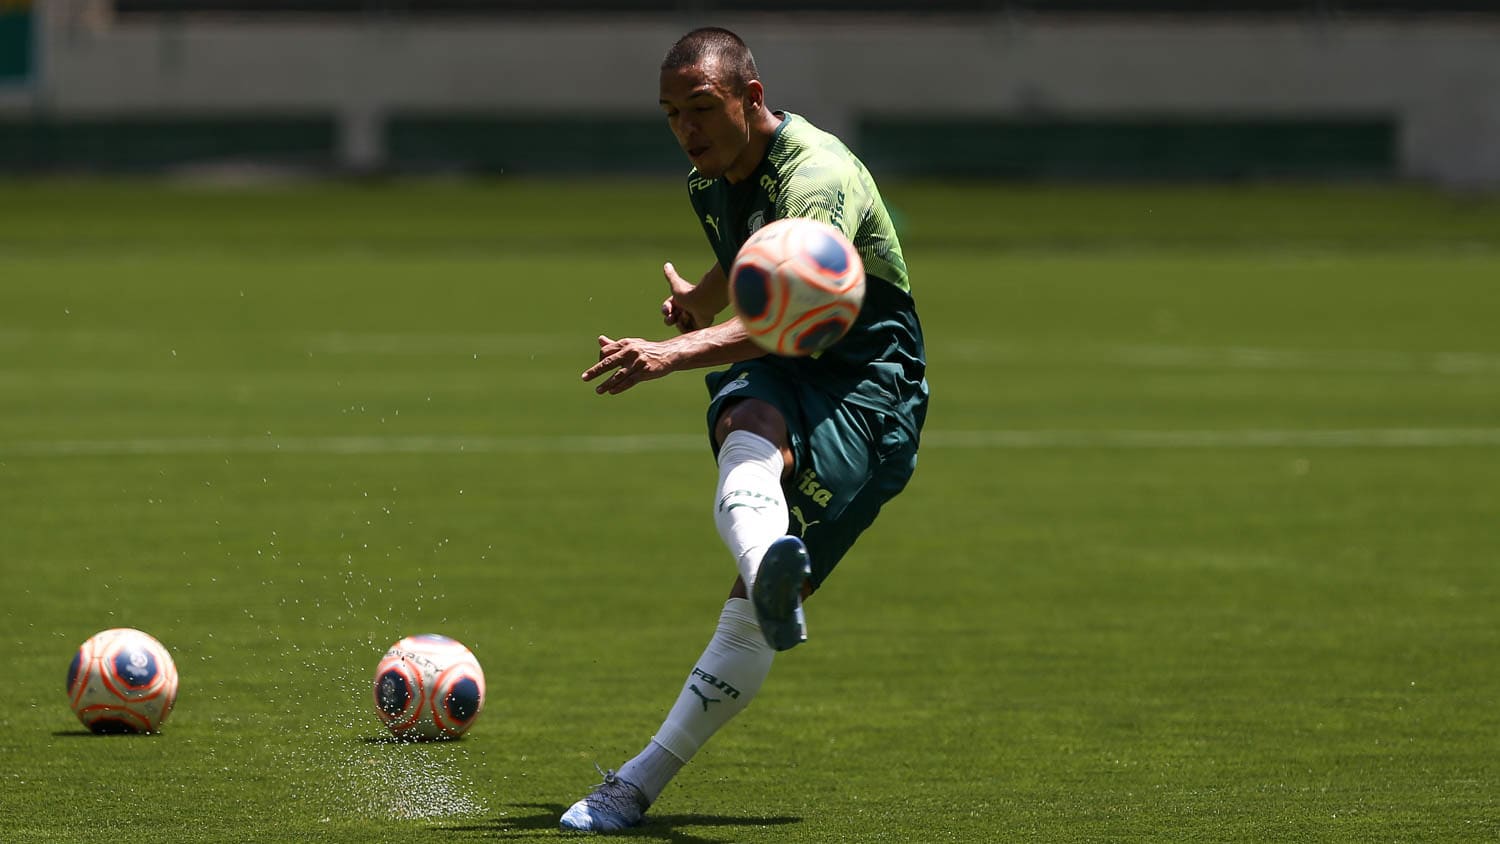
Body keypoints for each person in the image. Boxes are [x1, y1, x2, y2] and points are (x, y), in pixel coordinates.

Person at [563, 26, 928, 833]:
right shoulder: (713, 177)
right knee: (745, 425)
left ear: (750, 98)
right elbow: (752, 266)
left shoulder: (819, 174)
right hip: (789, 360)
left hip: (869, 384)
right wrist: (702, 294)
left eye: (700, 108)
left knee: (751, 607)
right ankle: (769, 569)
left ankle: (642, 777)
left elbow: (792, 312)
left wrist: (673, 349)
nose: (685, 129)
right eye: (670, 114)